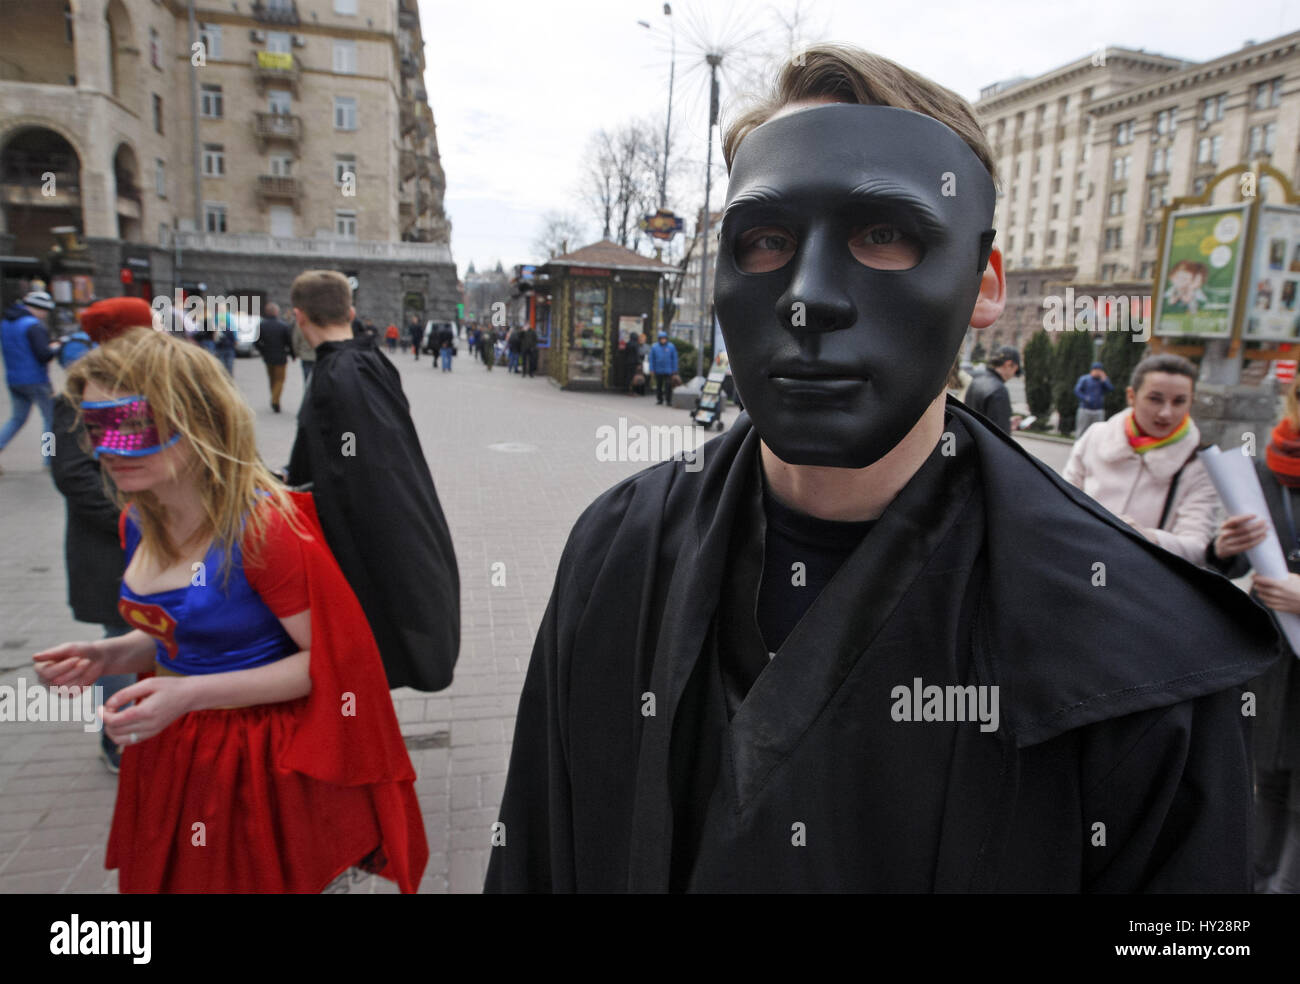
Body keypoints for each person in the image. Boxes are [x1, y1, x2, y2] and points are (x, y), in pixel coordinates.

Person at [485, 44, 1278, 893]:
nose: (807, 297)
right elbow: (535, 847)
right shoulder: (617, 552)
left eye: (884, 235)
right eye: (766, 240)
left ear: (985, 283)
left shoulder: (1137, 643)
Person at [35, 326, 427, 893]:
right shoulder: (137, 519)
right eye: (94, 428)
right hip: (178, 751)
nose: (106, 449)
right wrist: (110, 652)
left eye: (128, 424)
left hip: (258, 768)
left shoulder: (264, 530)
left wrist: (189, 693)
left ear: (198, 420)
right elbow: (184, 631)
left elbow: (327, 663)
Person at [285, 270, 459, 691]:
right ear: (351, 310)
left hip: (364, 542)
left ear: (299, 316)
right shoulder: (367, 362)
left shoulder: (341, 376)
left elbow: (361, 469)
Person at [1206, 373, 1300, 892]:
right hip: (1271, 659)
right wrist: (1224, 546)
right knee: (1267, 784)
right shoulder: (1265, 472)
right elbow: (1234, 560)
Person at [50, 298, 152, 773]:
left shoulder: (151, 386)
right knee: (120, 636)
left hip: (154, 543)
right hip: (110, 547)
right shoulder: (77, 398)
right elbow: (72, 476)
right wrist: (133, 519)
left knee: (149, 634)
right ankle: (120, 739)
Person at [1063, 354, 1218, 566]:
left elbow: (1197, 547)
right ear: (1131, 396)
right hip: (1077, 567)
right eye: (1155, 399)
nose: (1166, 413)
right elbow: (1061, 501)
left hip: (1140, 584)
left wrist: (1147, 537)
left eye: (1179, 402)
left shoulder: (1199, 463)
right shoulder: (1096, 436)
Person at [0, 289, 61, 472]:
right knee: (50, 419)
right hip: (36, 379)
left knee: (17, 419)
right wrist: (57, 347)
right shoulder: (33, 325)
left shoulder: (6, 323)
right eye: (45, 310)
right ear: (38, 308)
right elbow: (43, 355)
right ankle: (49, 461)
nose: (45, 315)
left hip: (14, 379)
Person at [964, 345, 1019, 433]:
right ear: (1008, 364)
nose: (1014, 375)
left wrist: (1007, 423)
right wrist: (1006, 426)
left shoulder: (976, 381)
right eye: (1016, 369)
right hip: (985, 444)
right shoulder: (999, 390)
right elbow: (1000, 434)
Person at [254, 302, 294, 413]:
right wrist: (292, 353)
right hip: (281, 357)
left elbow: (256, 342)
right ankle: (275, 400)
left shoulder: (261, 325)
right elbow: (289, 342)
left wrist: (262, 351)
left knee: (272, 379)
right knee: (280, 380)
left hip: (268, 357)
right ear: (276, 312)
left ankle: (275, 398)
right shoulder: (283, 326)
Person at [1073, 361, 1113, 436]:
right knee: (1082, 431)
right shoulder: (1084, 379)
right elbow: (1077, 390)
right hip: (1085, 409)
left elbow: (1110, 389)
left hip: (1098, 410)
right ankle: (1079, 446)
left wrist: (1105, 380)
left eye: (1099, 370)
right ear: (1092, 370)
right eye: (1096, 370)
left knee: (1098, 432)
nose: (1097, 372)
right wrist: (1085, 398)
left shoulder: (1102, 381)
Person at [649, 330, 678, 405]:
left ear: (666, 338)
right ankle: (660, 399)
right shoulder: (654, 347)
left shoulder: (671, 346)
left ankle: (668, 400)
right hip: (658, 370)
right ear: (659, 339)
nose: (663, 340)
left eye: (664, 338)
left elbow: (674, 358)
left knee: (668, 385)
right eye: (661, 338)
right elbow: (651, 359)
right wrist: (651, 369)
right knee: (659, 385)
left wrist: (675, 369)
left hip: (669, 370)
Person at [291, 317, 315, 387]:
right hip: (317, 355)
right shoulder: (320, 324)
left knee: (306, 377)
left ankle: (308, 393)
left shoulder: (300, 325)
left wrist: (296, 353)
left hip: (305, 355)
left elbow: (295, 341)